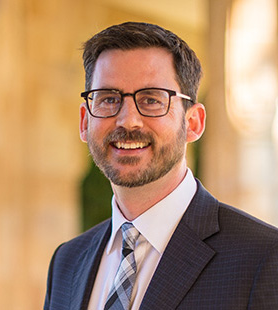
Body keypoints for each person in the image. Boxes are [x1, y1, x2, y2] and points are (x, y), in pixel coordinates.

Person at [44, 22, 278, 310]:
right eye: (108, 99)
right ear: (84, 121)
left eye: (151, 99)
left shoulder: (263, 258)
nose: (127, 120)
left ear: (193, 123)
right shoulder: (66, 262)